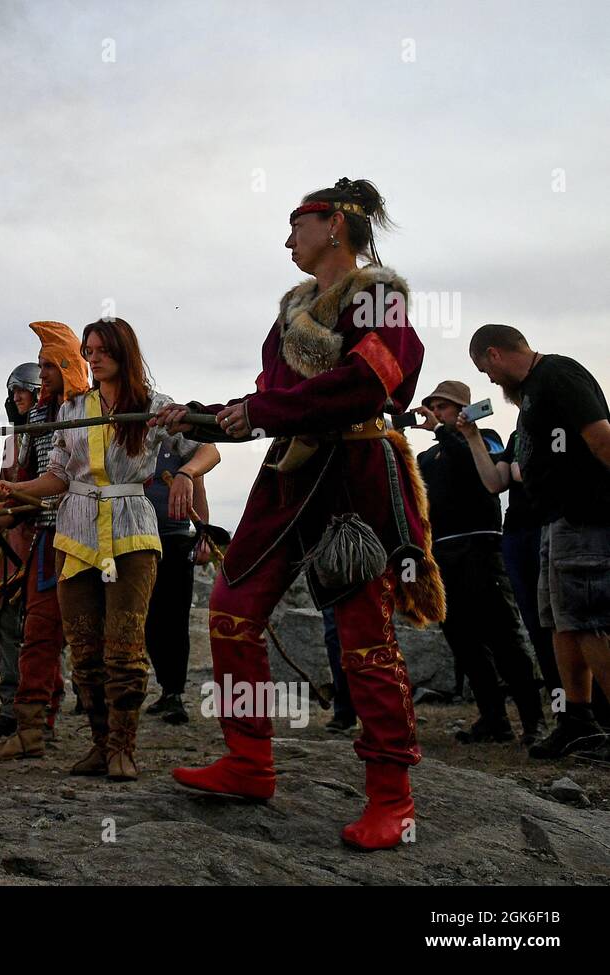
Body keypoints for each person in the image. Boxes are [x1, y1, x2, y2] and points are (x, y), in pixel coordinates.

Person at [155, 178, 445, 850]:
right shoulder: (291, 310)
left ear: (335, 226)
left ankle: (392, 797)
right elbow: (266, 401)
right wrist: (198, 416)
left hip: (355, 476)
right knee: (230, 609)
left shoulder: (379, 296)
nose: (288, 239)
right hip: (289, 475)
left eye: (297, 225)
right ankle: (249, 761)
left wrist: (263, 411)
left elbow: (372, 383)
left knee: (364, 636)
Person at [0, 317, 211, 781]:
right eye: (88, 349)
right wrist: (18, 491)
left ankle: (122, 749)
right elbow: (59, 477)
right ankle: (97, 744)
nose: (93, 357)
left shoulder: (154, 406)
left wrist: (189, 475)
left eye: (102, 348)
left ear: (122, 351)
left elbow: (206, 449)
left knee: (125, 650)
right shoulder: (74, 411)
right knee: (85, 651)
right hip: (75, 534)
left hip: (132, 534)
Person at [469, 324, 610, 759]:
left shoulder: (558, 375)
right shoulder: (532, 392)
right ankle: (578, 720)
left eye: (484, 369)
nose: (489, 380)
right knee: (561, 623)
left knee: (587, 620)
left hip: (583, 517)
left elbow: (601, 436)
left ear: (494, 354)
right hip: (553, 522)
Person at [413, 380, 544, 745]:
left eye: (443, 407)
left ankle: (534, 720)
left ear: (461, 409)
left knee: (503, 634)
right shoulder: (427, 457)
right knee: (463, 639)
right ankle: (493, 719)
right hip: (442, 552)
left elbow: (479, 474)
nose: (436, 413)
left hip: (480, 547)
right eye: (433, 407)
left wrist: (443, 432)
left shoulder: (485, 438)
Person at [0, 323, 90, 761]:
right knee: (38, 633)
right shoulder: (32, 422)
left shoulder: (90, 410)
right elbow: (32, 478)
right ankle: (35, 726)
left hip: (87, 534)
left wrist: (18, 494)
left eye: (51, 366)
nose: (44, 376)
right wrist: (8, 502)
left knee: (91, 636)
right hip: (45, 536)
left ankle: (109, 737)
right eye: (41, 366)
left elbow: (68, 478)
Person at [0, 364, 40, 738]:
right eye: (12, 392)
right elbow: (7, 485)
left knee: (42, 631)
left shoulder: (54, 435)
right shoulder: (12, 441)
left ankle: (48, 705)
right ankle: (11, 707)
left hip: (45, 538)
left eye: (23, 391)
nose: (16, 398)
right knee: (8, 626)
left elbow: (50, 488)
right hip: (13, 544)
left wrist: (12, 508)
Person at [142, 429, 220, 724]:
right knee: (148, 620)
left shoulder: (177, 441)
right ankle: (162, 687)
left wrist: (203, 534)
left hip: (174, 538)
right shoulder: (129, 435)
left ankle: (173, 694)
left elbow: (197, 480)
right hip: (135, 539)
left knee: (175, 619)